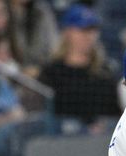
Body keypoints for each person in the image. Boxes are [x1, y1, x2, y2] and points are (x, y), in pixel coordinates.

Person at [38, 4, 120, 134]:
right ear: (67, 32)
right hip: (60, 141)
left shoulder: (105, 73)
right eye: (82, 30)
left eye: (92, 30)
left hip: (100, 141)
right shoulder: (52, 72)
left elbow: (114, 113)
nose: (88, 36)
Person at [9, 0, 58, 76]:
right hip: (14, 71)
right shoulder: (3, 11)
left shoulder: (41, 10)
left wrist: (40, 70)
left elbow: (54, 47)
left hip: (41, 69)